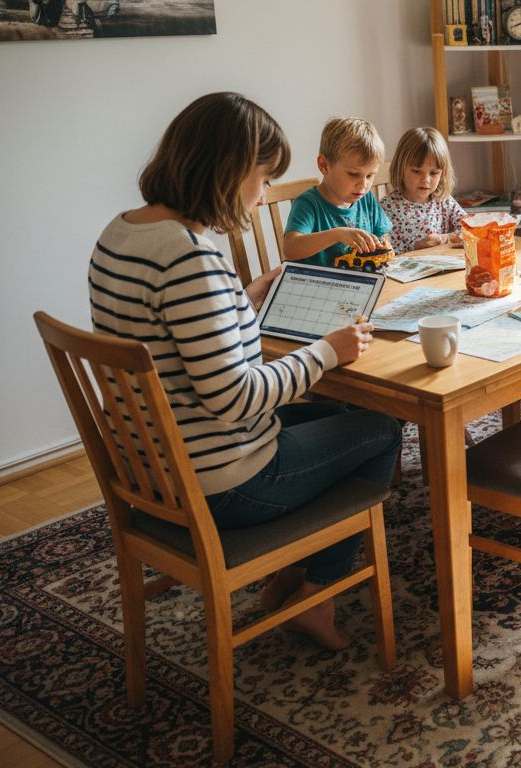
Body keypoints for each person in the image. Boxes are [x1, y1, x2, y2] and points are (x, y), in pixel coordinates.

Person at [88, 92, 401, 651]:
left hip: (151, 469)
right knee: (382, 427)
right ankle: (315, 593)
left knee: (339, 412)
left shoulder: (120, 234)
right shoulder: (191, 257)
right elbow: (237, 399)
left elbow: (179, 348)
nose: (261, 200)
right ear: (228, 173)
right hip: (222, 484)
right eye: (261, 181)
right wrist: (329, 351)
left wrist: (242, 299)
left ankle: (291, 570)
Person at [283, 116, 393, 267]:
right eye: (354, 174)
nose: (363, 184)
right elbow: (290, 249)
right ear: (324, 166)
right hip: (318, 286)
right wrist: (336, 234)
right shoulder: (308, 204)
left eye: (370, 175)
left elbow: (383, 236)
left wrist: (384, 245)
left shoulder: (367, 199)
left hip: (362, 284)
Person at [379, 127, 466, 251]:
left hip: (445, 266)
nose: (426, 180)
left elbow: (470, 228)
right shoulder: (387, 208)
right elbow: (384, 252)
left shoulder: (443, 200)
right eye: (416, 171)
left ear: (442, 173)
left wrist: (445, 238)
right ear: (400, 168)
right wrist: (415, 247)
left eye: (434, 173)